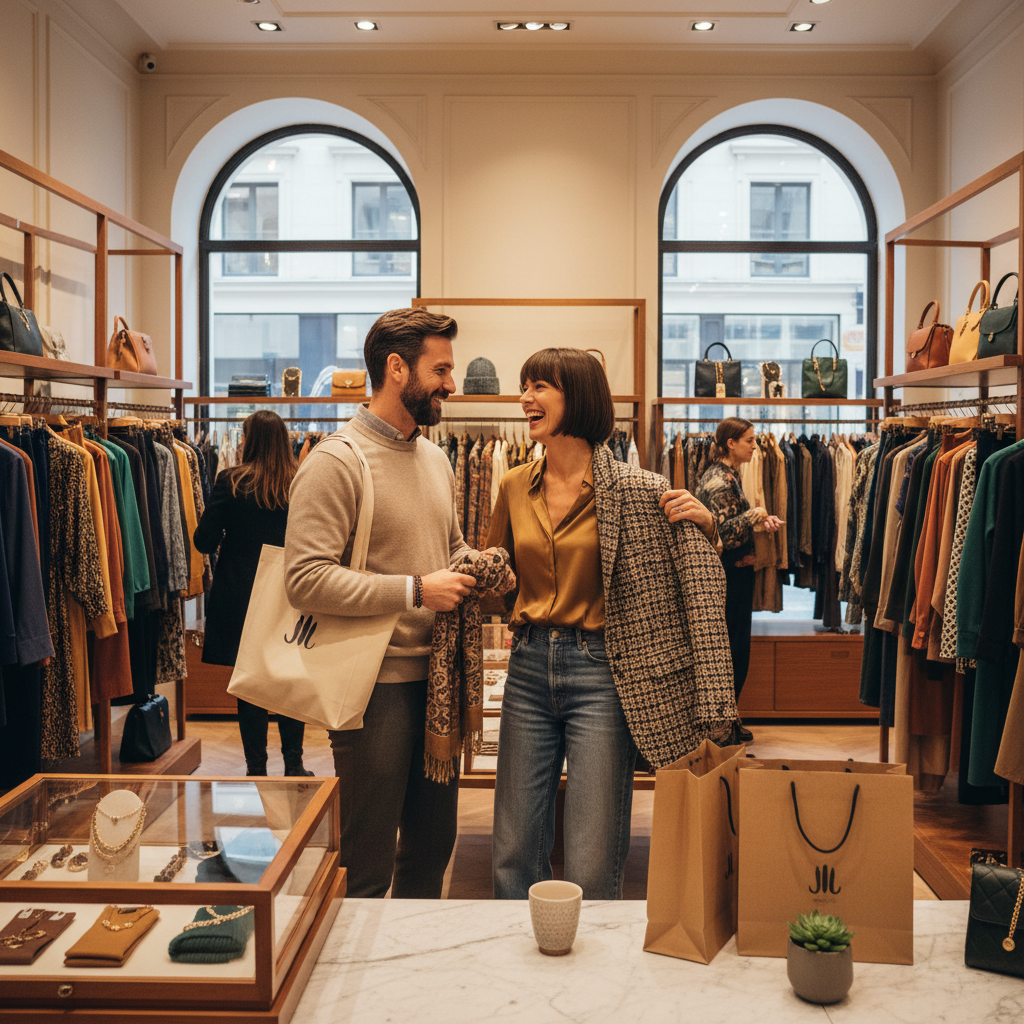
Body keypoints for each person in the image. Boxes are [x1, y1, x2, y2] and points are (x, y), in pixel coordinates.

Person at [487, 347, 733, 900]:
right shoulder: (512, 485)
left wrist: (708, 531)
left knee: (593, 856)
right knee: (513, 848)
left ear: (579, 398)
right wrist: (488, 579)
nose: (525, 397)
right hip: (527, 668)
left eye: (540, 385)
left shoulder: (640, 490)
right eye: (524, 385)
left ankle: (593, 976)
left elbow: (691, 580)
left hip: (602, 672)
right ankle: (512, 964)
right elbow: (499, 571)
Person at [283, 307, 478, 899]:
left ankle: (409, 983)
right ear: (397, 368)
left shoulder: (436, 459)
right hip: (372, 688)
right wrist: (417, 590)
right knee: (366, 861)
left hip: (437, 687)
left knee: (431, 851)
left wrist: (476, 564)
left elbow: (447, 548)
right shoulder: (336, 462)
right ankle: (350, 986)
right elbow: (305, 579)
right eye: (440, 369)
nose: (451, 383)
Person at [193, 409, 313, 777]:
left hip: (240, 594)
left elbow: (203, 541)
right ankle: (294, 764)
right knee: (290, 678)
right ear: (283, 441)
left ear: (249, 441)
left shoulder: (231, 482)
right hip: (290, 593)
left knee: (250, 683)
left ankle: (255, 768)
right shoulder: (301, 482)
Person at [690, 417, 782, 744]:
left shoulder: (728, 476)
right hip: (726, 577)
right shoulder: (720, 480)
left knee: (733, 651)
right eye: (749, 440)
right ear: (731, 443)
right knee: (730, 652)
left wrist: (760, 520)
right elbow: (721, 532)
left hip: (734, 575)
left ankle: (729, 723)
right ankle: (723, 729)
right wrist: (755, 514)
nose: (755, 446)